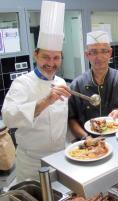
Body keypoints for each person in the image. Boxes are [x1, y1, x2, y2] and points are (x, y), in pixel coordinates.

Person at [1, 1, 70, 181]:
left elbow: (62, 123)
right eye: (45, 57)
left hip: (61, 158)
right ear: (35, 55)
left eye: (56, 58)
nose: (50, 63)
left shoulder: (62, 83)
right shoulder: (22, 83)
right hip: (32, 164)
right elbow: (9, 117)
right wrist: (46, 101)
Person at [68, 31, 118, 140]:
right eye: (94, 52)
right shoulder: (77, 85)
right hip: (89, 143)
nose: (99, 57)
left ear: (110, 53)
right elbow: (71, 119)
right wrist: (86, 138)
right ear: (87, 55)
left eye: (104, 51)